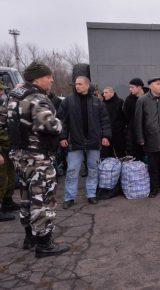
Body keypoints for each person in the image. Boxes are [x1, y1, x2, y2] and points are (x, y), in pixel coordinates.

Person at [7, 61, 70, 257]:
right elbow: (51, 126)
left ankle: (30, 238)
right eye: (48, 76)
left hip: (20, 157)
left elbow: (3, 122)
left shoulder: (13, 96)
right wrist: (59, 122)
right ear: (37, 78)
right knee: (43, 200)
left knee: (26, 197)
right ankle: (44, 244)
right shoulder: (36, 99)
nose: (51, 79)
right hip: (38, 159)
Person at [58, 76, 112, 209]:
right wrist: (63, 137)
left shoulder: (97, 102)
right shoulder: (68, 101)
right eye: (76, 84)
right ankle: (69, 197)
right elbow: (62, 121)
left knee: (93, 170)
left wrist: (106, 136)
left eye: (80, 84)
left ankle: (91, 195)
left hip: (94, 141)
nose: (77, 86)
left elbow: (104, 121)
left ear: (87, 85)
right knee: (72, 170)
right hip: (75, 142)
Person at [0, 81, 19, 222]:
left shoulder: (3, 103)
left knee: (10, 176)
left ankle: (7, 202)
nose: (1, 92)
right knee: (1, 179)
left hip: (7, 147)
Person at [123, 78, 146, 161]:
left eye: (132, 87)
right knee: (136, 155)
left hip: (148, 131)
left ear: (139, 87)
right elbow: (126, 115)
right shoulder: (129, 100)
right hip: (134, 132)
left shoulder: (149, 97)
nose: (130, 89)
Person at [101, 87, 126, 158]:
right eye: (103, 93)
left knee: (120, 153)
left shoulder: (120, 102)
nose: (104, 94)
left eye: (106, 92)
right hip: (106, 134)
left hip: (119, 133)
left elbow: (124, 116)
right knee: (107, 154)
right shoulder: (102, 104)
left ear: (112, 93)